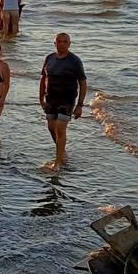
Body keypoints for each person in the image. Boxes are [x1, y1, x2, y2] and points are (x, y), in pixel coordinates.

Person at [39, 33, 87, 171]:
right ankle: (62, 151)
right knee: (51, 127)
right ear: (55, 43)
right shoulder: (49, 58)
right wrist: (40, 98)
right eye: (59, 41)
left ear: (69, 43)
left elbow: (83, 83)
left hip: (67, 99)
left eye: (65, 42)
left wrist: (80, 105)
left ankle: (58, 162)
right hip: (51, 98)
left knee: (60, 128)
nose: (62, 44)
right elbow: (43, 79)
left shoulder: (75, 61)